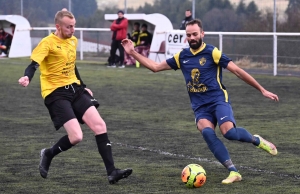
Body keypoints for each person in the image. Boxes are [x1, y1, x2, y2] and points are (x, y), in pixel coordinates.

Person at [122, 19, 278, 184]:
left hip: (218, 100)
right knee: (208, 133)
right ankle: (233, 171)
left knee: (229, 133)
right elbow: (155, 67)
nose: (192, 37)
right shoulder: (182, 56)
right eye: (188, 35)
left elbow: (238, 71)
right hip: (200, 107)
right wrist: (132, 52)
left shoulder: (212, 52)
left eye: (195, 34)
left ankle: (256, 140)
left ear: (202, 34)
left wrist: (262, 90)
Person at [18, 9, 132, 184]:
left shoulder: (73, 41)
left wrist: (83, 87)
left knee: (100, 125)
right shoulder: (47, 43)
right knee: (76, 137)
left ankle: (112, 172)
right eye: (69, 27)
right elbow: (33, 65)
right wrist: (27, 77)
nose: (72, 30)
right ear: (58, 26)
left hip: (75, 89)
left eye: (74, 26)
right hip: (55, 93)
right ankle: (48, 153)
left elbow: (72, 66)